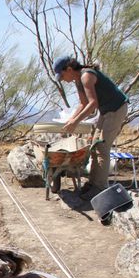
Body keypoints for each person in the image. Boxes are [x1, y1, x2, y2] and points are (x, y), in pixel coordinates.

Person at [52, 56, 128, 201]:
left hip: (116, 109)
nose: (62, 79)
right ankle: (93, 183)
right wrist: (70, 120)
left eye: (62, 75)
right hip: (106, 111)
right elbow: (82, 104)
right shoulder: (78, 81)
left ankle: (100, 188)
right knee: (94, 146)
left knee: (102, 148)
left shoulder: (86, 76)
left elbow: (92, 104)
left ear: (68, 69)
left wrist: (75, 122)